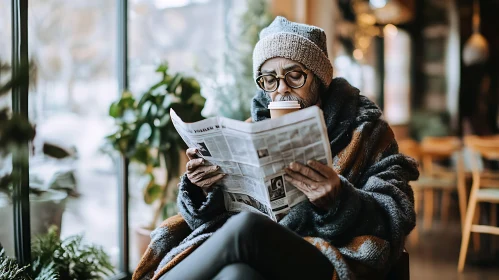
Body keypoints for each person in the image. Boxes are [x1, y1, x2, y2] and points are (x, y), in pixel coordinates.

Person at [133, 16, 418, 280]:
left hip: (327, 256)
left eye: (295, 76)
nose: (281, 89)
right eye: (269, 79)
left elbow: (397, 213)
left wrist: (340, 202)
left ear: (319, 80)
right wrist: (202, 189)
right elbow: (207, 218)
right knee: (237, 275)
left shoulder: (367, 133)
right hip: (258, 259)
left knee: (248, 229)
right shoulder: (249, 130)